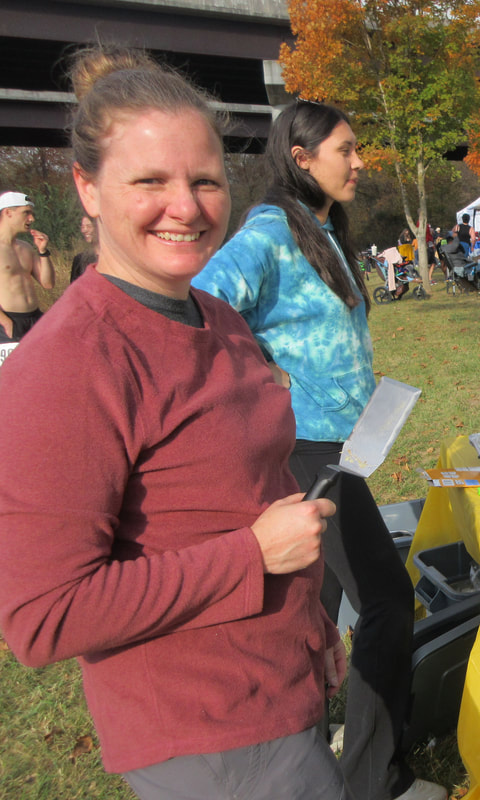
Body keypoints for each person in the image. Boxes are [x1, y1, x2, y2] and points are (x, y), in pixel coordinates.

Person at [0, 46, 347, 799]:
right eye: (149, 182)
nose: (185, 207)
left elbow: (253, 486)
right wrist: (251, 555)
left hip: (278, 685)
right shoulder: (65, 365)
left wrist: (313, 628)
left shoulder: (214, 315)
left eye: (205, 180)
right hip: (208, 732)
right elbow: (43, 618)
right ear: (87, 190)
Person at [193, 101, 444, 800]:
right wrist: (259, 373)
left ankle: (304, 757)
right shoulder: (270, 230)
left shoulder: (322, 228)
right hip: (306, 449)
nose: (359, 162)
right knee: (388, 600)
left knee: (312, 611)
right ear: (301, 158)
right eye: (347, 149)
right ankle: (375, 781)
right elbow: (202, 307)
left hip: (342, 443)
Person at [0, 191, 54, 342]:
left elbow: (48, 284)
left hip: (34, 319)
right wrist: (5, 321)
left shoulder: (26, 247)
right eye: (26, 213)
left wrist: (43, 252)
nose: (32, 218)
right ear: (8, 212)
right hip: (8, 322)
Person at [69, 214, 98, 281]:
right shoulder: (79, 260)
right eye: (82, 227)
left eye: (89, 226)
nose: (84, 230)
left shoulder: (112, 259)